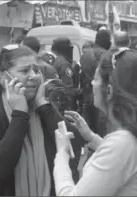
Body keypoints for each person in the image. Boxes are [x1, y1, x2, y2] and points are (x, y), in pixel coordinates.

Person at [0, 44, 80, 196]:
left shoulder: (42, 107)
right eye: (24, 70)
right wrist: (19, 113)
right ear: (3, 77)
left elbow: (73, 147)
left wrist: (43, 105)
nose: (33, 76)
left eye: (36, 70)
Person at [53, 49, 137, 196]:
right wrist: (92, 137)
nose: (91, 83)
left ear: (109, 92)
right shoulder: (127, 137)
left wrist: (61, 155)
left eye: (96, 79)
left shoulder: (121, 142)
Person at [80, 29, 112, 137]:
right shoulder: (109, 55)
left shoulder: (85, 56)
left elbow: (82, 77)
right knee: (103, 131)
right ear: (106, 40)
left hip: (87, 96)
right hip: (102, 97)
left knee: (89, 131)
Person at [51, 37, 81, 111]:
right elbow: (68, 89)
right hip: (65, 104)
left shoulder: (56, 60)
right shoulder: (64, 64)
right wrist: (79, 91)